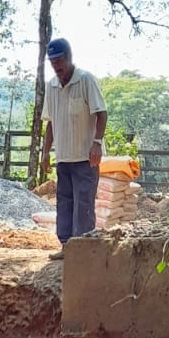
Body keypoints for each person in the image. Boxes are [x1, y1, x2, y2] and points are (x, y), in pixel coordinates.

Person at [41, 37, 107, 260]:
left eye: (59, 61)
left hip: (85, 158)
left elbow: (101, 113)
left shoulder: (85, 80)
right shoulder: (51, 86)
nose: (56, 67)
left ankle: (83, 253)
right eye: (52, 62)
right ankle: (66, 247)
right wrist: (45, 152)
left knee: (84, 203)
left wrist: (96, 144)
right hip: (64, 157)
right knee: (65, 203)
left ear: (69, 58)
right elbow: (50, 122)